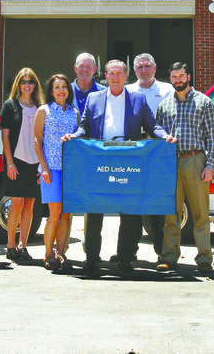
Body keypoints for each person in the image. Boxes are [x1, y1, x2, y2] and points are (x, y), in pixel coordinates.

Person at [65, 60, 174, 272]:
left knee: (128, 211)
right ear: (105, 76)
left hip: (127, 160)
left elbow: (152, 125)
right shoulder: (94, 98)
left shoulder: (138, 99)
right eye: (111, 73)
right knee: (94, 209)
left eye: (119, 73)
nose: (115, 77)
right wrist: (74, 136)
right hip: (99, 159)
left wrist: (165, 136)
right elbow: (84, 126)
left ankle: (125, 258)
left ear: (126, 75)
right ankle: (92, 258)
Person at [155, 62, 214, 273]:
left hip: (196, 160)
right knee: (171, 213)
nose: (178, 80)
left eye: (181, 76)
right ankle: (169, 256)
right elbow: (158, 137)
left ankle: (204, 257)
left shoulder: (204, 102)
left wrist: (210, 165)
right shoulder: (164, 105)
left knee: (200, 212)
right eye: (174, 77)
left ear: (188, 76)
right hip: (171, 162)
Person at [127, 53, 175, 259]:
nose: (144, 70)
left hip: (159, 155)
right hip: (134, 155)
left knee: (157, 204)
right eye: (140, 67)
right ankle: (128, 251)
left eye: (147, 66)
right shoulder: (128, 91)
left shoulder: (167, 90)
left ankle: (161, 251)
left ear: (155, 68)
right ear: (134, 71)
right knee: (132, 205)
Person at [34, 74, 79, 270]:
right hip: (51, 169)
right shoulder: (44, 111)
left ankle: (61, 253)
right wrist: (43, 166)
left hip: (70, 170)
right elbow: (37, 140)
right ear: (51, 91)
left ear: (68, 90)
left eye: (64, 87)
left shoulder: (75, 113)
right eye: (57, 87)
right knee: (54, 213)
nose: (61, 90)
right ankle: (48, 254)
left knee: (67, 214)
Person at [0, 68, 44, 262]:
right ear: (18, 84)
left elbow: (45, 139)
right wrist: (9, 163)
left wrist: (43, 166)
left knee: (30, 204)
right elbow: (5, 136)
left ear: (35, 85)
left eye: (30, 81)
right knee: (16, 203)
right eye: (23, 81)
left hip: (35, 163)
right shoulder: (9, 106)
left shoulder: (41, 107)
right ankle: (10, 245)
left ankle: (23, 246)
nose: (27, 85)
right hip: (16, 161)